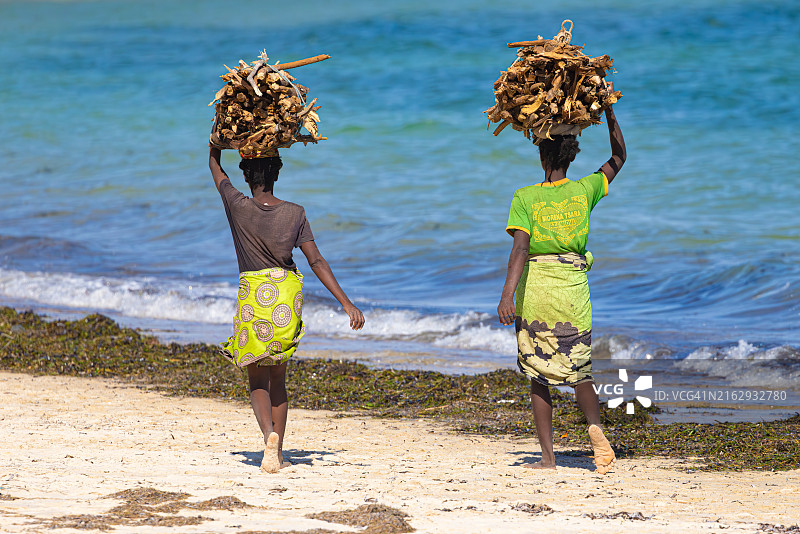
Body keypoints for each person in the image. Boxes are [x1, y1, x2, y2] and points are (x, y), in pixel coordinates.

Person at [209, 146, 365, 473]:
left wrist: (215, 144)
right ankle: (277, 451)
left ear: (246, 176)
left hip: (254, 298)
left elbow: (216, 171)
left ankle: (269, 437)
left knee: (257, 376)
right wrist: (346, 303)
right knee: (278, 377)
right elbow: (317, 261)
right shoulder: (295, 213)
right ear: (277, 174)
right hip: (284, 298)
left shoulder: (237, 206)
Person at [497, 92, 626, 473]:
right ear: (571, 156)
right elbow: (620, 156)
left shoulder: (526, 197)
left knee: (539, 375)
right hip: (573, 292)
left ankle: (549, 459)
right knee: (579, 369)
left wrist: (507, 296)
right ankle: (596, 431)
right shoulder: (585, 190)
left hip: (537, 292)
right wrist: (609, 111)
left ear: (542, 155)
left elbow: (520, 250)